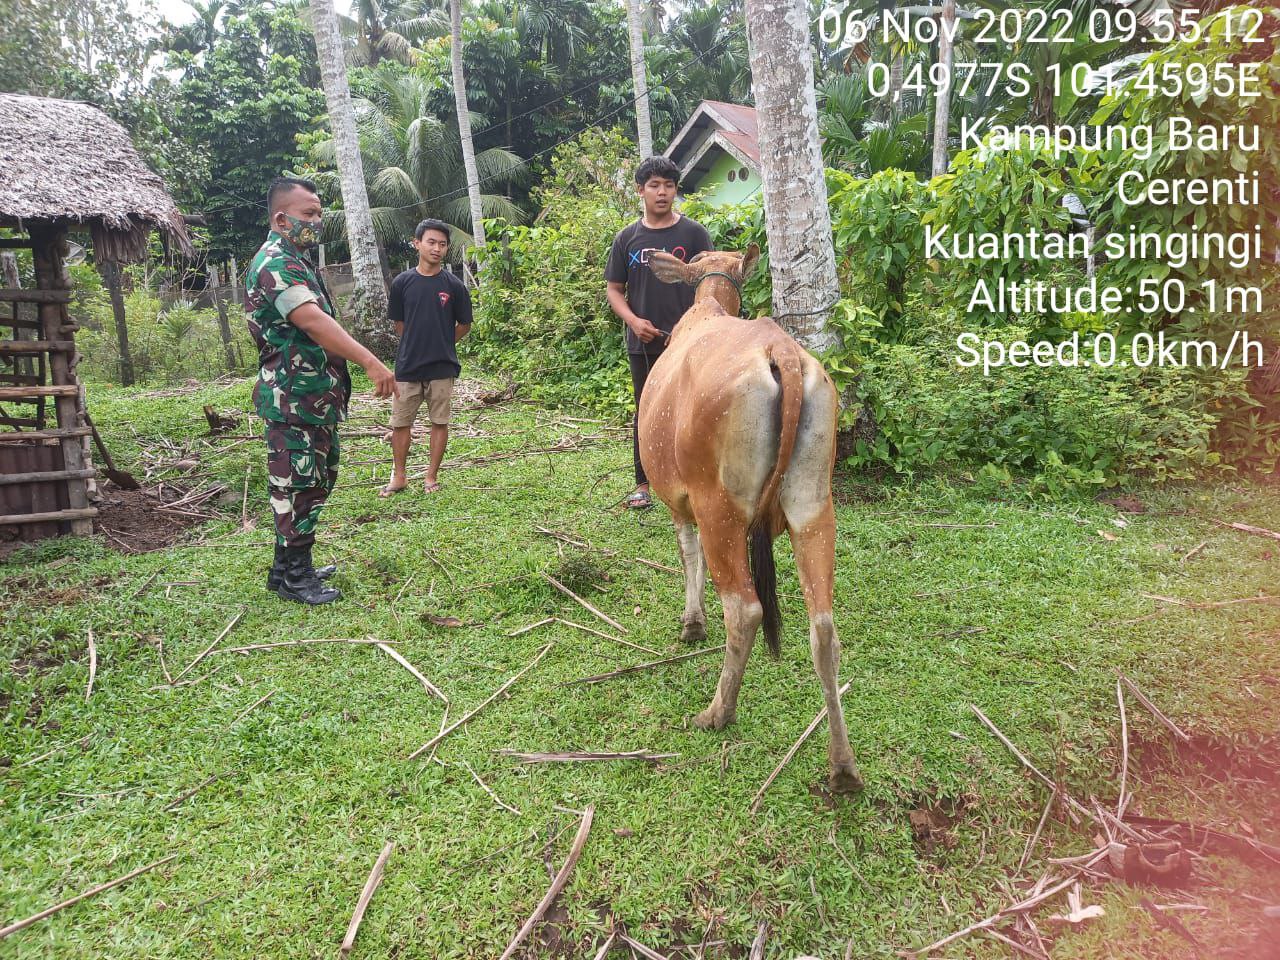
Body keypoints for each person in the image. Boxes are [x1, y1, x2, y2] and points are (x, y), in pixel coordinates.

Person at [246, 175, 397, 604]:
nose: (317, 221)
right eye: (308, 214)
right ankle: (297, 576)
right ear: (281, 218)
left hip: (313, 395)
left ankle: (286, 568)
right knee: (298, 484)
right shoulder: (275, 261)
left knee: (315, 479)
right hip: (293, 396)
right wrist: (369, 360)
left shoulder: (296, 258)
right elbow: (312, 321)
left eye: (319, 213)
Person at [605, 156, 712, 509]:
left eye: (668, 185)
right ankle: (643, 483)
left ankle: (692, 478)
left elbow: (708, 282)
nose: (662, 192)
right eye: (654, 185)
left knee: (694, 409)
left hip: (689, 341)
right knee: (646, 410)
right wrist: (634, 322)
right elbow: (614, 290)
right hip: (644, 343)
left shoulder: (694, 234)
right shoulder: (627, 238)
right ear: (641, 191)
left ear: (676, 190)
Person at [380, 218, 472, 497]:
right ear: (416, 243)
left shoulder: (454, 286)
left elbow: (464, 325)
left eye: (442, 244)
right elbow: (399, 324)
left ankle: (431, 477)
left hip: (442, 366)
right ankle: (399, 476)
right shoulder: (402, 283)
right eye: (431, 242)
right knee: (400, 424)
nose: (437, 248)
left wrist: (441, 343)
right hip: (408, 366)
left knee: (439, 422)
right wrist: (417, 343)